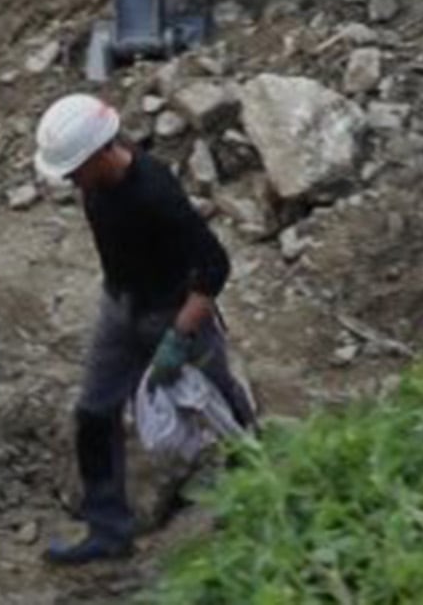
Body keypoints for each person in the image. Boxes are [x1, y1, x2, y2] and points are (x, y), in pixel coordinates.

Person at [33, 94, 255, 567]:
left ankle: (261, 497)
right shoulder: (95, 184)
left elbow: (214, 267)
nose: (71, 180)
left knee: (224, 413)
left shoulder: (154, 192)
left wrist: (178, 338)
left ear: (99, 153)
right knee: (94, 413)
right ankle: (109, 529)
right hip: (121, 307)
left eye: (75, 169)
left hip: (174, 312)